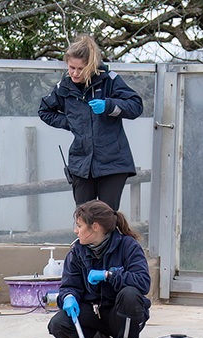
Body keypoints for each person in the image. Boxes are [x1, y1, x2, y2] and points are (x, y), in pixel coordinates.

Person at [47, 200, 150, 338]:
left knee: (130, 294)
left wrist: (109, 275)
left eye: (79, 226)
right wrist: (68, 297)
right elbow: (69, 285)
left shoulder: (128, 246)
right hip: (94, 314)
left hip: (120, 316)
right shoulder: (77, 252)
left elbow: (143, 282)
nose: (75, 231)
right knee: (58, 324)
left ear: (94, 227)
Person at [38, 34, 142, 210]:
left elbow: (136, 106)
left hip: (113, 162)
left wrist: (109, 106)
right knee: (84, 218)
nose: (75, 73)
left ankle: (112, 239)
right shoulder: (63, 86)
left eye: (80, 69)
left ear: (91, 66)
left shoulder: (110, 80)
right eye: (71, 67)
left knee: (106, 217)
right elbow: (44, 111)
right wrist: (71, 122)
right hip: (81, 163)